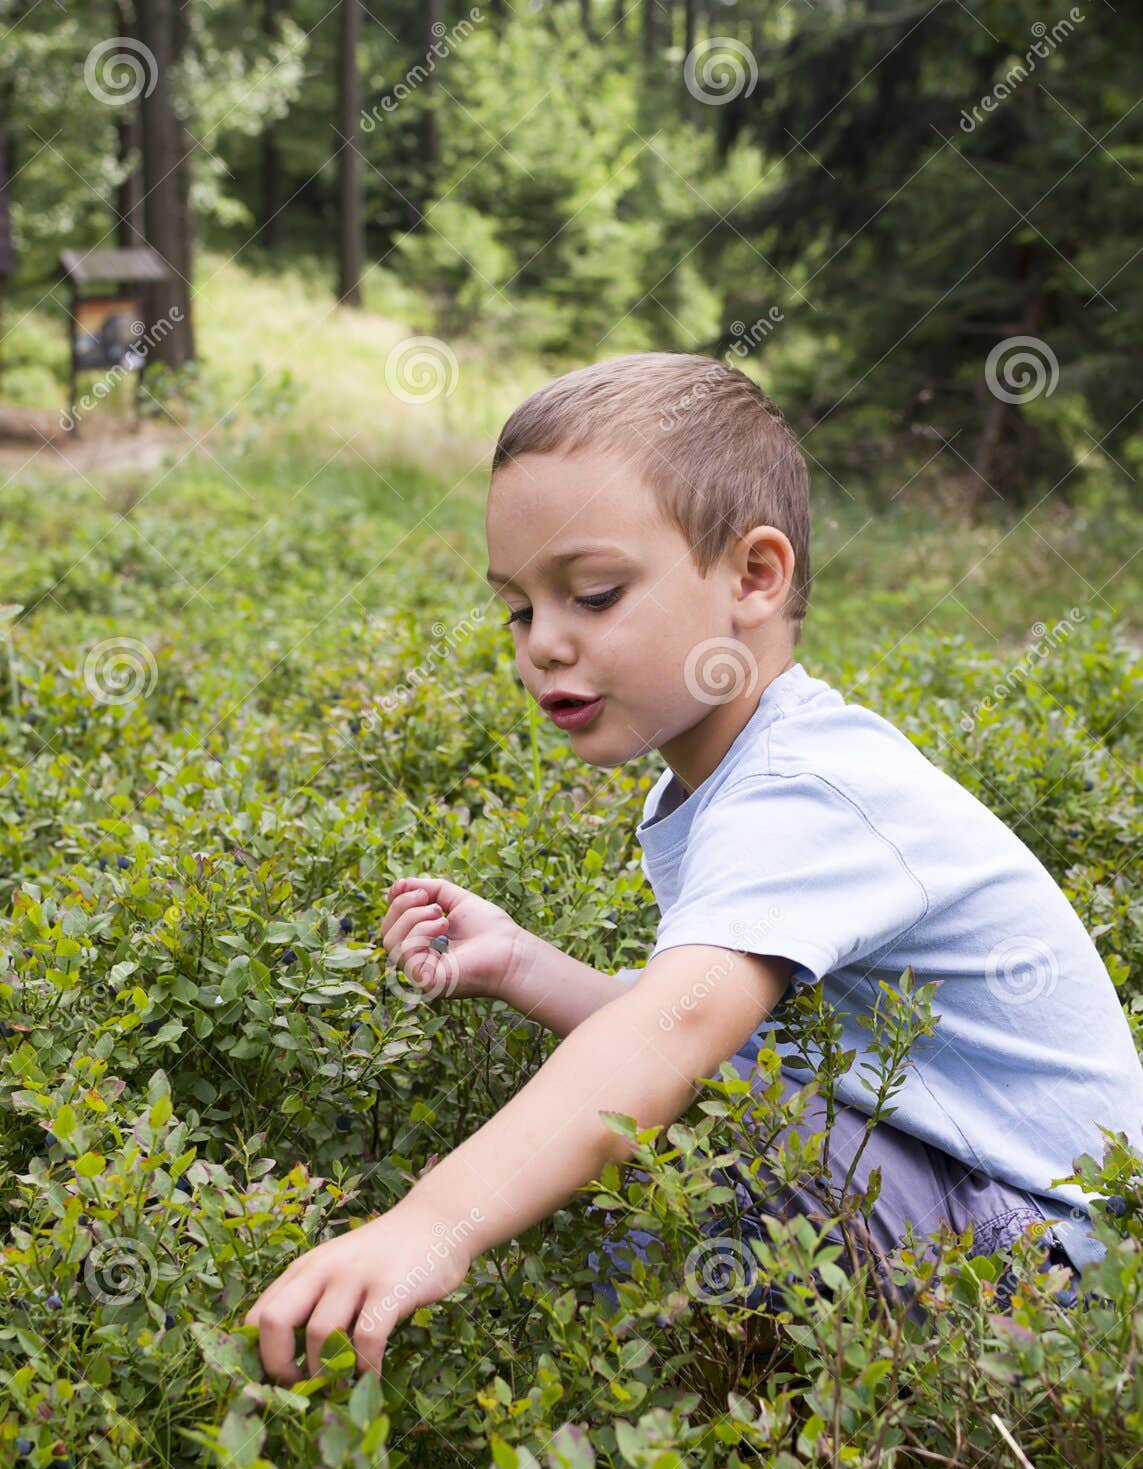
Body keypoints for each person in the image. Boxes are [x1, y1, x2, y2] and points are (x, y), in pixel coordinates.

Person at [244, 351, 1143, 1380]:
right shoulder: (725, 775)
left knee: (715, 1125)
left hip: (1061, 1274)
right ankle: (668, 1419)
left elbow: (672, 1040)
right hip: (994, 1217)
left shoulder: (804, 789)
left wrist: (428, 1225)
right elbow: (732, 1030)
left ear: (754, 578)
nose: (543, 643)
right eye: (521, 608)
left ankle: (648, 1435)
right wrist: (523, 962)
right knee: (722, 1099)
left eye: (593, 593)